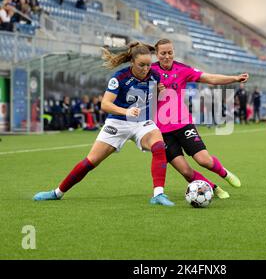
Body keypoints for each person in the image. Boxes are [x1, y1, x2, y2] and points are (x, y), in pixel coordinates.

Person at [33, 42, 175, 206]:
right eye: (141, 65)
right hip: (118, 122)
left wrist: (160, 92)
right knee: (90, 162)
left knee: (158, 147)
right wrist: (125, 111)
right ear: (132, 62)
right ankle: (57, 193)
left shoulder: (154, 76)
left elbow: (153, 96)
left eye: (149, 65)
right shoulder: (119, 78)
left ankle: (158, 194)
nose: (146, 69)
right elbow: (105, 104)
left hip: (142, 122)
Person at [152, 39, 249, 199]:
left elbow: (210, 78)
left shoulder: (182, 69)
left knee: (204, 160)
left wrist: (234, 78)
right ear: (157, 54)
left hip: (183, 124)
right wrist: (153, 89)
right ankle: (214, 188)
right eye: (163, 53)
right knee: (185, 171)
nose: (167, 56)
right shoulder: (150, 72)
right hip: (161, 132)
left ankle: (225, 173)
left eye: (170, 52)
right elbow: (139, 96)